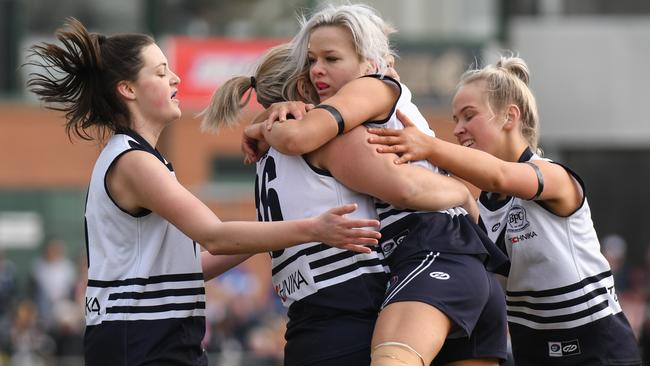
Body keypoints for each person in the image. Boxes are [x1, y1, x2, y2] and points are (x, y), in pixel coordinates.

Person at [25, 18, 384, 366]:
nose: (175, 78)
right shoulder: (133, 162)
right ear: (128, 89)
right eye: (161, 72)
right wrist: (313, 228)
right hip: (136, 338)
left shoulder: (143, 159)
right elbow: (215, 235)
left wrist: (276, 227)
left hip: (155, 335)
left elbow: (191, 267)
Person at [207, 4, 509, 366]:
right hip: (431, 268)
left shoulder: (311, 139)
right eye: (313, 62)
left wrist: (262, 126)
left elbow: (407, 189)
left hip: (408, 271)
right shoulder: (305, 139)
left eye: (331, 60)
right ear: (303, 86)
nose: (319, 70)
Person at [367, 55, 642, 365]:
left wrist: (429, 147)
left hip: (598, 351)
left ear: (510, 117)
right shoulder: (482, 203)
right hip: (534, 352)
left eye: (468, 116)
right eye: (455, 119)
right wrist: (386, 88)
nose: (458, 129)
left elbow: (500, 174)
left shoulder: (553, 177)